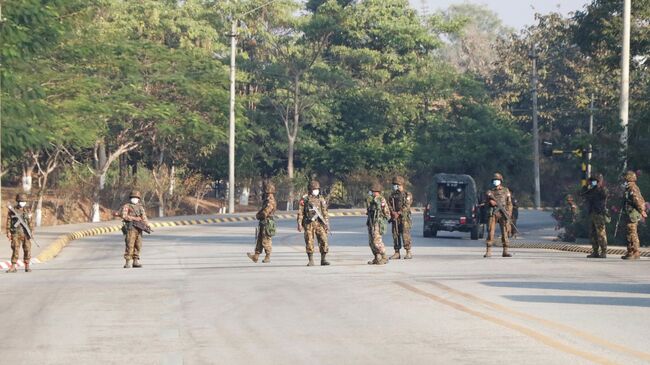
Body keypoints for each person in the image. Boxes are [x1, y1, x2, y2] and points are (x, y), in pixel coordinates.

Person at [297, 180, 330, 266]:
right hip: (309, 223)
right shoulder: (305, 199)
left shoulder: (321, 198)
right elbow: (300, 212)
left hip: (319, 223)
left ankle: (323, 259)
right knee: (309, 241)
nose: (316, 190)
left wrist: (326, 223)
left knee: (324, 240)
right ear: (310, 189)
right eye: (314, 189)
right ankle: (311, 260)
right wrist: (299, 223)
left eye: (317, 189)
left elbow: (324, 212)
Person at [484, 173, 514, 258]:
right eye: (494, 180)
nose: (495, 181)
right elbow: (485, 204)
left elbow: (509, 203)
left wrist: (509, 213)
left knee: (505, 232)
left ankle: (505, 251)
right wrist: (490, 203)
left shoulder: (505, 190)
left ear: (501, 181)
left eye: (497, 180)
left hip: (503, 213)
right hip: (493, 213)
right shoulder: (490, 192)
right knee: (490, 231)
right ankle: (488, 251)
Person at [247, 182, 277, 263]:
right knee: (260, 239)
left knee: (266, 239)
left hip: (267, 222)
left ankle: (267, 256)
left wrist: (259, 215)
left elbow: (266, 212)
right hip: (263, 222)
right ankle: (256, 256)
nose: (266, 193)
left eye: (267, 191)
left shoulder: (270, 200)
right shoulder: (267, 200)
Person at [581, 174, 609, 258]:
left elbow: (605, 195)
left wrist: (599, 184)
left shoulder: (602, 190)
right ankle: (595, 251)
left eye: (593, 181)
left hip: (599, 213)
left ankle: (603, 251)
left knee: (601, 233)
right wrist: (586, 185)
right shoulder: (591, 190)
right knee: (593, 234)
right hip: (592, 213)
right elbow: (582, 193)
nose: (591, 183)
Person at [621, 171, 647, 260]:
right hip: (629, 213)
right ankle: (631, 251)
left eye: (625, 177)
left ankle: (634, 252)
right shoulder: (629, 187)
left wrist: (642, 211)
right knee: (631, 232)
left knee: (631, 233)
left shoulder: (632, 188)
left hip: (632, 213)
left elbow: (637, 200)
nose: (624, 178)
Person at [5, 194, 35, 273]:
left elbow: (31, 222)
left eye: (24, 201)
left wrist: (31, 231)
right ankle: (13, 266)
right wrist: (8, 232)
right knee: (15, 249)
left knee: (27, 249)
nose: (23, 203)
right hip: (15, 233)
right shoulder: (12, 210)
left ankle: (27, 266)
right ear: (18, 201)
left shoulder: (28, 211)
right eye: (21, 201)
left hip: (26, 233)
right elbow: (8, 221)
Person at [120, 190, 150, 268]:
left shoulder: (140, 207)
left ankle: (135, 261)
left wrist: (147, 225)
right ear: (130, 198)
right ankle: (127, 262)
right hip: (130, 228)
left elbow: (144, 217)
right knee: (129, 245)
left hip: (139, 229)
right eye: (133, 197)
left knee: (138, 245)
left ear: (139, 198)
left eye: (136, 197)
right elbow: (124, 216)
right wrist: (134, 218)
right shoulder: (127, 206)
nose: (135, 199)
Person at [388, 176, 413, 260]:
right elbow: (389, 205)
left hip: (404, 218)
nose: (394, 186)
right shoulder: (392, 195)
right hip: (395, 218)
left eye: (395, 184)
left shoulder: (407, 194)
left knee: (405, 235)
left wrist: (399, 213)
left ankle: (408, 252)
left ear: (400, 185)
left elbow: (407, 205)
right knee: (395, 234)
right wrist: (393, 212)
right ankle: (397, 252)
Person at [367, 182, 390, 265]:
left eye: (372, 191)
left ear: (376, 191)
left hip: (378, 223)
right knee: (371, 242)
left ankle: (384, 257)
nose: (370, 193)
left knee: (377, 241)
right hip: (371, 222)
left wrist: (382, 220)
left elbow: (387, 213)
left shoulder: (381, 199)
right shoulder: (370, 200)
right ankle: (377, 257)